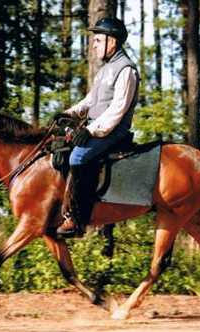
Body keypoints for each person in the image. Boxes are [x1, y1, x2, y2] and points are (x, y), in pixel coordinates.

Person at [55, 17, 141, 239]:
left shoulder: (126, 70)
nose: (93, 45)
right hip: (95, 126)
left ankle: (77, 217)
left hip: (114, 130)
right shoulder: (105, 69)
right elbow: (89, 102)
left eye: (97, 40)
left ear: (111, 42)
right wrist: (68, 114)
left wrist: (90, 132)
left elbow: (117, 110)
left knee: (78, 158)